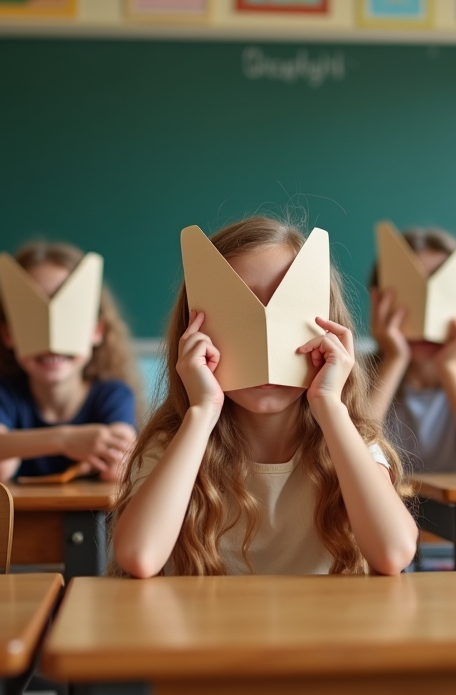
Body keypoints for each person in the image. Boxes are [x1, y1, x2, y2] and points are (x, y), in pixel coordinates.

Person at [111, 217, 419, 577]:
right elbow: (139, 556)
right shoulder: (172, 444)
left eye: (286, 310)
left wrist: (330, 406)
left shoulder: (353, 442)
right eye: (240, 313)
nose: (267, 344)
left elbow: (394, 554)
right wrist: (203, 412)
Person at [0, 242, 140, 483]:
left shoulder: (113, 395)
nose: (52, 338)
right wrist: (64, 440)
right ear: (8, 334)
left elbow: (118, 468)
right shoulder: (0, 394)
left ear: (96, 331)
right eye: (33, 312)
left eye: (67, 310)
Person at [369, 227, 456, 475]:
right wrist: (394, 359)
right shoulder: (361, 379)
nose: (426, 318)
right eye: (411, 291)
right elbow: (349, 451)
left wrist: (450, 367)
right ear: (379, 302)